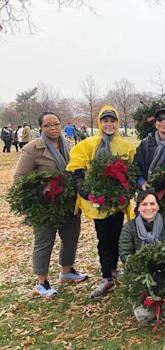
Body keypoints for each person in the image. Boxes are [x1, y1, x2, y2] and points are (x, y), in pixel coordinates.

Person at [13, 112, 87, 297]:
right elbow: (19, 179)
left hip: (68, 202)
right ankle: (42, 281)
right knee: (44, 241)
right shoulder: (32, 149)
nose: (52, 128)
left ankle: (67, 270)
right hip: (46, 205)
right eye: (47, 125)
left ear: (61, 126)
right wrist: (42, 188)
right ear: (41, 128)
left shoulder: (68, 146)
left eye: (55, 124)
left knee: (71, 236)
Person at [66, 105, 136, 298]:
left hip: (118, 202)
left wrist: (125, 193)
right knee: (104, 238)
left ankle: (114, 269)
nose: (109, 124)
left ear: (117, 122)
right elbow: (77, 173)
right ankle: (107, 275)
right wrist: (88, 193)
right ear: (99, 123)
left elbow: (130, 174)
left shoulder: (125, 147)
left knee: (118, 236)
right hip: (98, 204)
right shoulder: (87, 146)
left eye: (112, 121)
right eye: (105, 121)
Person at [118, 189, 165, 322]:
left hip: (163, 272)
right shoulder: (129, 228)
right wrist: (143, 265)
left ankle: (162, 297)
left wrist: (161, 263)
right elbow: (125, 254)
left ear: (158, 206)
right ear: (138, 207)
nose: (149, 208)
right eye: (144, 204)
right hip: (139, 275)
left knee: (164, 303)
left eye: (152, 204)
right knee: (144, 316)